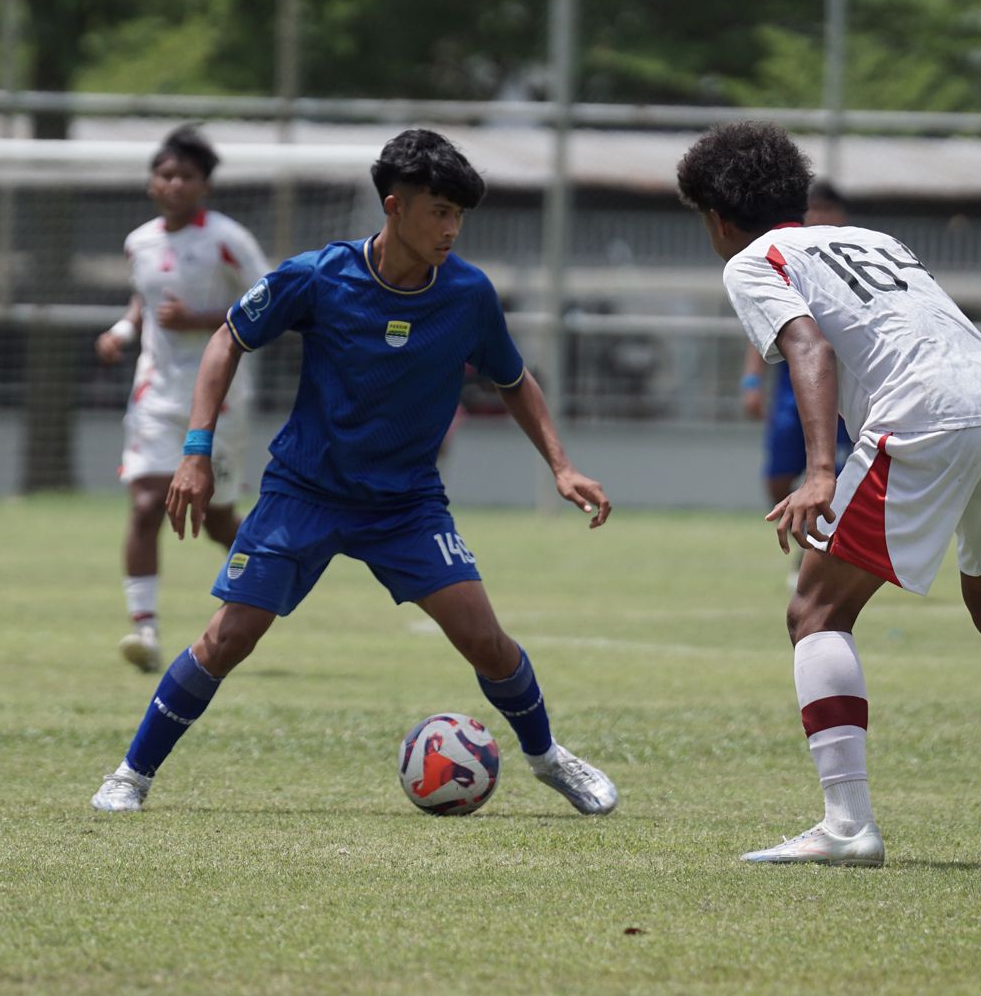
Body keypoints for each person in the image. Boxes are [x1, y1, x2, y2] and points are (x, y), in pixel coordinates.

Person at [89, 128, 620, 816]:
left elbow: (513, 380)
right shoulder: (319, 275)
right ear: (394, 207)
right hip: (304, 492)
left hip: (406, 503)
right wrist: (196, 450)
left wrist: (562, 466)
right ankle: (131, 775)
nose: (451, 229)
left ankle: (549, 758)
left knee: (484, 639)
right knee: (231, 636)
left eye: (459, 215)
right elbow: (228, 337)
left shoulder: (467, 293)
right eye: (439, 212)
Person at [676, 121, 981, 868]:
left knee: (815, 611)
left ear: (714, 216)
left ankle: (846, 826)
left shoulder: (753, 258)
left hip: (925, 413)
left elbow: (809, 346)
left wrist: (818, 471)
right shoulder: (870, 238)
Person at [94, 126, 272, 672]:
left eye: (186, 176)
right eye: (165, 174)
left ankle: (274, 573)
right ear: (152, 183)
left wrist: (200, 320)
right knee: (147, 504)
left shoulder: (227, 239)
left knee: (218, 522)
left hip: (219, 399)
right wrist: (122, 334)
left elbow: (271, 300)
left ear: (205, 186)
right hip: (156, 395)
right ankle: (143, 632)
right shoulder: (139, 242)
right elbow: (144, 302)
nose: (174, 184)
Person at [739, 179, 851, 584]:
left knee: (840, 476)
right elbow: (765, 327)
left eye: (827, 209)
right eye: (813, 209)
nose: (819, 216)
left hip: (847, 391)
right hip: (793, 389)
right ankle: (802, 539)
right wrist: (751, 381)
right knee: (778, 476)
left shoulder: (849, 258)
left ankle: (822, 554)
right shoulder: (789, 260)